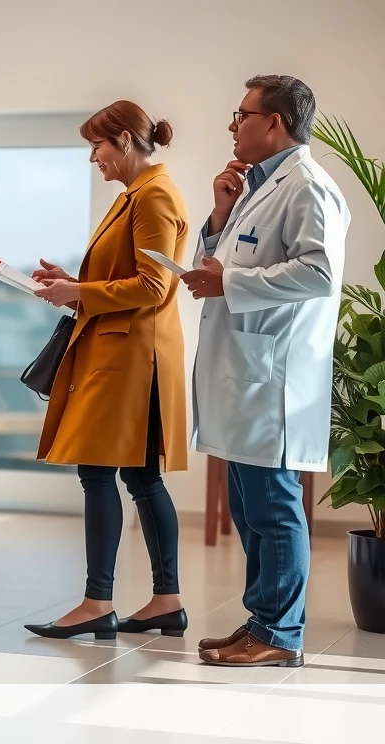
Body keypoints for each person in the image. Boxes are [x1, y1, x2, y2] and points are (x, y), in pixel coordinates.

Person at [182, 75, 349, 667]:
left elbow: (320, 272)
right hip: (244, 371)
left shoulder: (307, 187)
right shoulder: (259, 186)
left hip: (274, 376)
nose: (233, 125)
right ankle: (261, 619)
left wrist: (228, 281)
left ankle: (281, 634)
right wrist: (221, 213)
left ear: (273, 122)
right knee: (251, 508)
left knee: (274, 508)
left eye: (241, 114)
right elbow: (228, 256)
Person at [24, 100, 191, 641]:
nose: (93, 157)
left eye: (96, 146)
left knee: (104, 474)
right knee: (140, 478)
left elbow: (154, 286)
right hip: (125, 356)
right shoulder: (136, 197)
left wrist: (77, 291)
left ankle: (100, 601)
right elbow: (131, 279)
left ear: (123, 140)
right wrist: (73, 286)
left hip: (131, 361)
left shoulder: (154, 196)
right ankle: (165, 599)